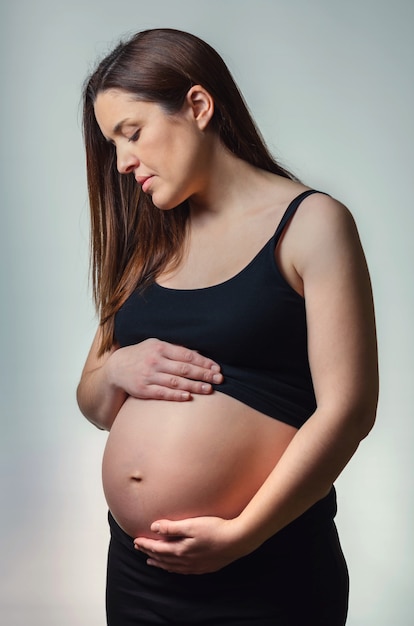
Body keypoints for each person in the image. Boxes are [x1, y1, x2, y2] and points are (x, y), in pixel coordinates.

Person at [77, 27, 378, 626]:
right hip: (139, 573)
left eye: (131, 134)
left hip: (268, 565)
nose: (121, 163)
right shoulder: (149, 245)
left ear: (197, 106)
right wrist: (117, 366)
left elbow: (350, 408)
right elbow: (93, 401)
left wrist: (244, 533)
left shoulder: (312, 224)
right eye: (112, 144)